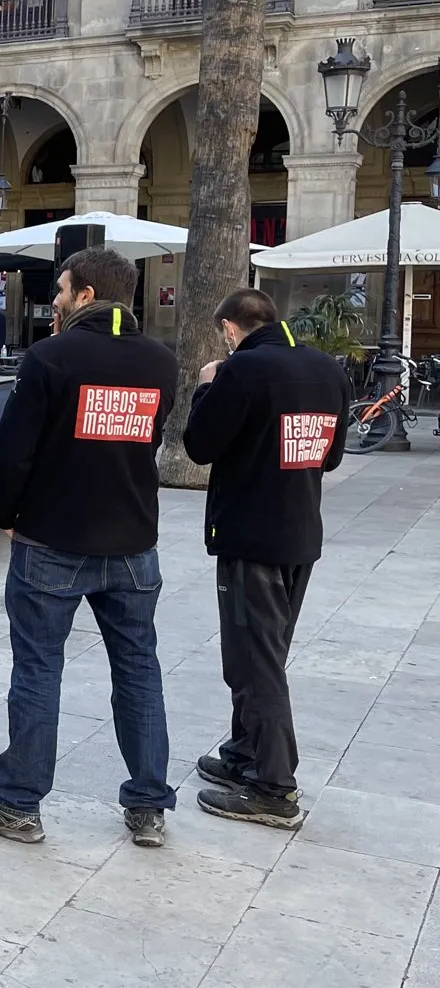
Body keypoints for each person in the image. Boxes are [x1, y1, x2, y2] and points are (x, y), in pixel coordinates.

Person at [0, 247, 179, 848]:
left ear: (84, 296)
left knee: (37, 668)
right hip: (133, 539)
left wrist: (5, 515)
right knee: (138, 669)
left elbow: (10, 453)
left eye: (60, 288)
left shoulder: (52, 357)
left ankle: (18, 803)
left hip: (52, 536)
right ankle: (149, 805)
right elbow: (147, 439)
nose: (52, 299)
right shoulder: (160, 360)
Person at [183, 289, 352, 830]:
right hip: (299, 532)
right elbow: (330, 456)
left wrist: (206, 387)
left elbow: (199, 446)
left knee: (256, 659)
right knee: (259, 652)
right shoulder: (329, 370)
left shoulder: (239, 372)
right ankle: (245, 753)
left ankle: (275, 787)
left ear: (230, 329)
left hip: (250, 535)